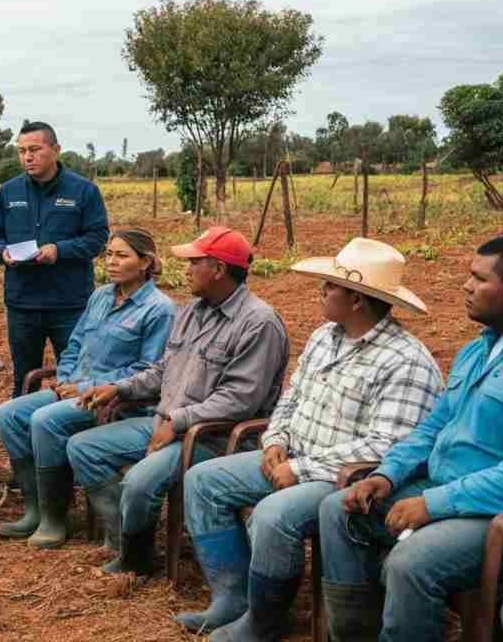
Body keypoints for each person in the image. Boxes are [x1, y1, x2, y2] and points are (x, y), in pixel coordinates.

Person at [177, 238, 444, 641]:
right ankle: (232, 597)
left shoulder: (405, 360)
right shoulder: (325, 337)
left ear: (357, 299)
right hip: (293, 456)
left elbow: (386, 445)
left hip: (344, 476)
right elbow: (291, 398)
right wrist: (275, 440)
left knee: (273, 515)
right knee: (203, 481)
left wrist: (300, 469)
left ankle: (265, 620)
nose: (322, 291)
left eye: (331, 286)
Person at [317, 235, 503, 642]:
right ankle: (355, 634)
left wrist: (434, 504)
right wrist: (386, 475)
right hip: (439, 491)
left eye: (479, 278)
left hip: (497, 517)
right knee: (339, 510)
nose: (466, 286)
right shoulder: (477, 351)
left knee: (411, 563)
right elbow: (432, 428)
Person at [65, 226, 289, 574]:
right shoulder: (192, 311)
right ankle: (128, 541)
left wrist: (178, 421)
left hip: (213, 438)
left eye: (194, 262)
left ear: (218, 269)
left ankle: (135, 561)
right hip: (168, 424)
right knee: (83, 448)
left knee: (140, 480)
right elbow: (163, 369)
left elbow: (240, 398)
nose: (185, 270)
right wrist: (119, 388)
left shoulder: (259, 323)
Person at [0, 228, 176, 564]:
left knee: (45, 420)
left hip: (116, 401)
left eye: (122, 255)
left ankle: (54, 519)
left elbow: (148, 370)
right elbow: (75, 343)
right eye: (109, 254)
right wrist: (67, 379)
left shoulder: (159, 309)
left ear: (145, 262)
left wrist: (83, 387)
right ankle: (39, 509)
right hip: (76, 390)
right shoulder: (101, 296)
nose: (111, 262)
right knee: (9, 414)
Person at [0, 120, 109, 400]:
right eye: (22, 151)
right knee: (24, 379)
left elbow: (98, 238)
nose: (27, 157)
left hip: (70, 305)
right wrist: (1, 252)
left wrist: (59, 250)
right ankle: (22, 426)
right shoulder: (8, 192)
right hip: (23, 305)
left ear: (56, 150)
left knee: (76, 377)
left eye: (35, 149)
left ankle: (67, 425)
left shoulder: (84, 191)